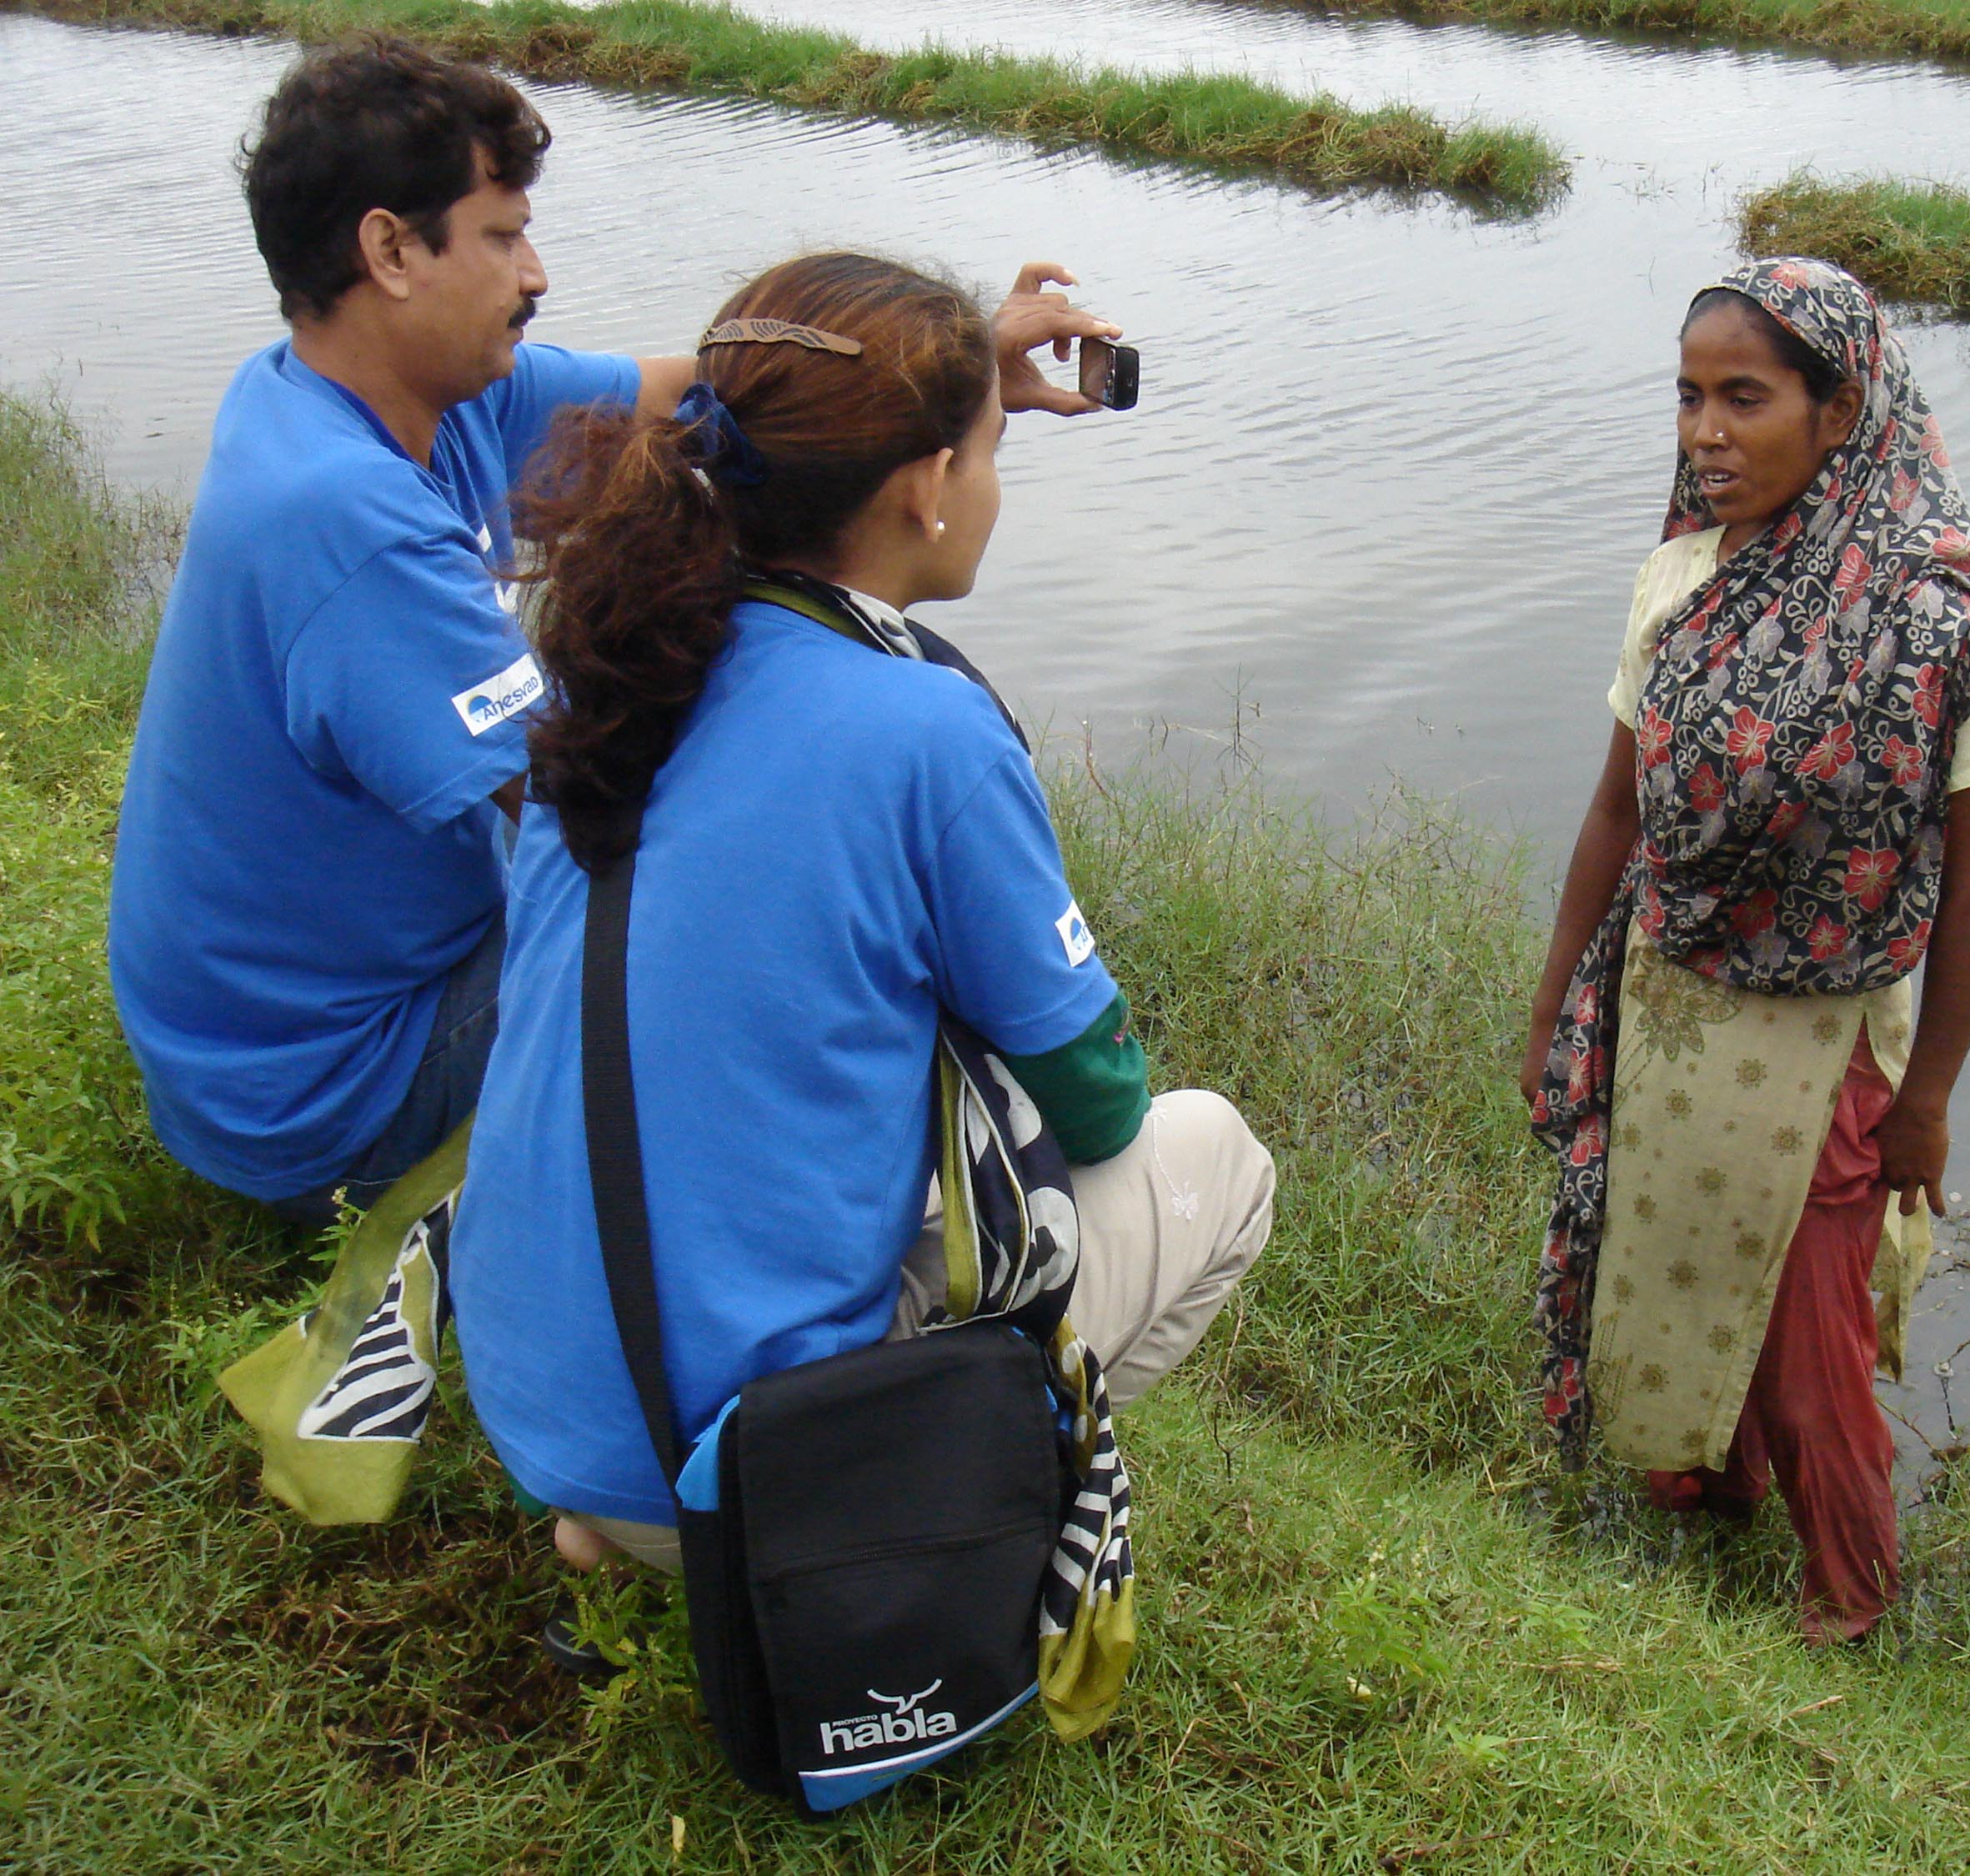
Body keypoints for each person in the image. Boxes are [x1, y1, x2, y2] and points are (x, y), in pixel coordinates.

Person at [107, 36, 1117, 1221]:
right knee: (792, 911)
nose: (535, 273)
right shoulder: (342, 518)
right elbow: (597, 818)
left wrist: (954, 378)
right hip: (334, 1093)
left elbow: (724, 395)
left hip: (283, 1034)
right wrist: (889, 779)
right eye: (500, 235)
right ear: (390, 249)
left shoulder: (367, 402)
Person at [447, 253, 1275, 1592]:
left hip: (542, 1405)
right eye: (989, 449)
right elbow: (1101, 1101)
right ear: (930, 487)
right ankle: (953, 1513)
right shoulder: (922, 725)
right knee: (1216, 1156)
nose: (992, 480)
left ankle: (617, 1521)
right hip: (752, 1467)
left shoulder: (621, 654)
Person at [1522, 258, 1970, 1643]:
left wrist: (1926, 1102)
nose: (1706, 433)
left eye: (1746, 397)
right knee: (1671, 1265)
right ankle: (1712, 1486)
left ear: (1840, 407)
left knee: (1809, 1352)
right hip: (1672, 1003)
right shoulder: (1679, 581)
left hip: (1826, 1043)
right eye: (1688, 398)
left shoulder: (1930, 614)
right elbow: (1617, 811)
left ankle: (1849, 1593)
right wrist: (1559, 1008)